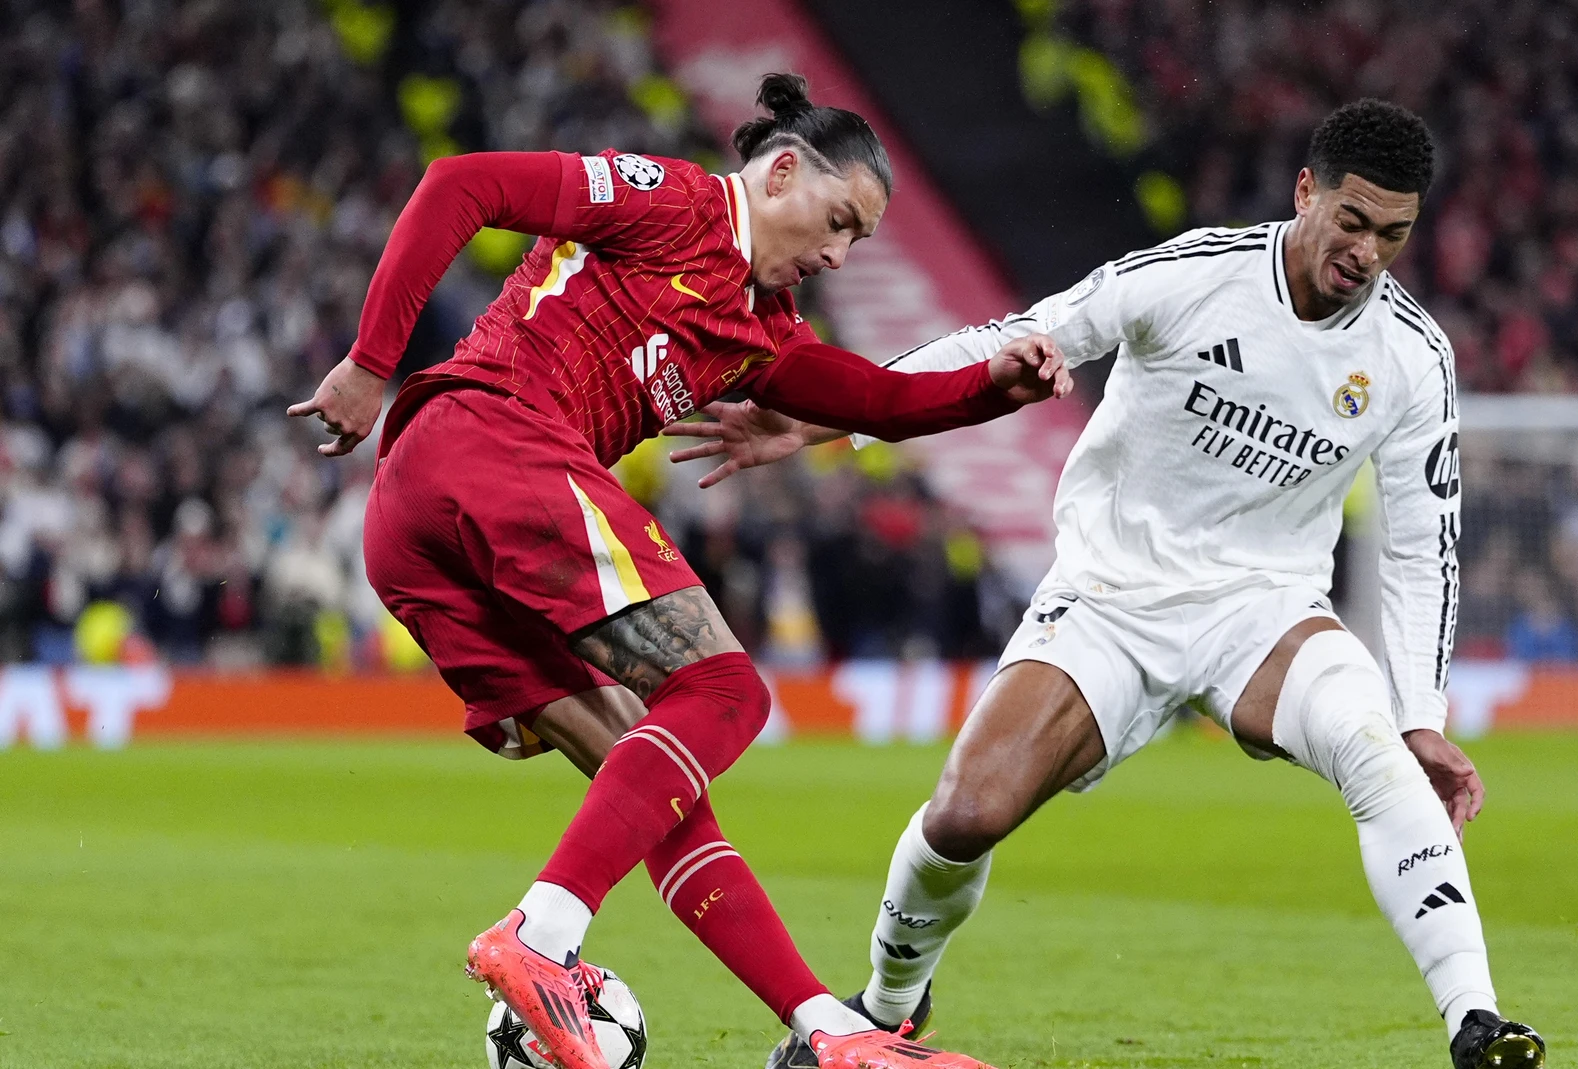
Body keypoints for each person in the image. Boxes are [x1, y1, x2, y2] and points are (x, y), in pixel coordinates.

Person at [667, 100, 1546, 1069]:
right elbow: (1021, 334)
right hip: (1111, 596)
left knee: (1375, 748)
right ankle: (884, 1007)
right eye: (1352, 220)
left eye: (1394, 234)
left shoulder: (1412, 358)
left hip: (1264, 610)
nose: (1368, 252)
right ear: (1306, 192)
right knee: (963, 816)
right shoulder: (1192, 277)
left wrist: (1422, 711)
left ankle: (1477, 1021)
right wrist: (826, 415)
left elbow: (1426, 543)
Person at [289, 73, 1069, 1069]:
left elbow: (875, 400)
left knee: (656, 785)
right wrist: (369, 359)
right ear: (780, 172)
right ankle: (539, 935)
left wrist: (991, 389)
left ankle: (831, 1032)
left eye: (856, 242)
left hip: (418, 517)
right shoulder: (674, 201)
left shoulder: (759, 330)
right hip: (493, 439)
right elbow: (458, 184)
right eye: (837, 222)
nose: (835, 254)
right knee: (726, 689)